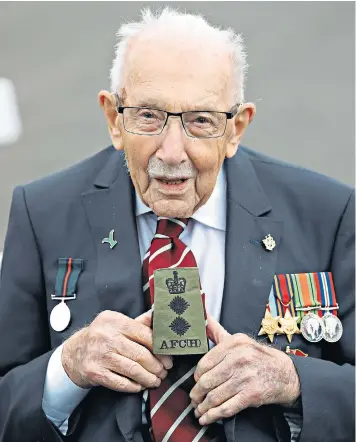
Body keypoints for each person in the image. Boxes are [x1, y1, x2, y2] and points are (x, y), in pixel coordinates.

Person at [0, 7, 354, 442]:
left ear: (236, 129)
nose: (171, 151)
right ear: (114, 118)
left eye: (200, 121)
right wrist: (66, 368)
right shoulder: (42, 213)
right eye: (148, 115)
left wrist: (292, 380)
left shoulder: (326, 213)